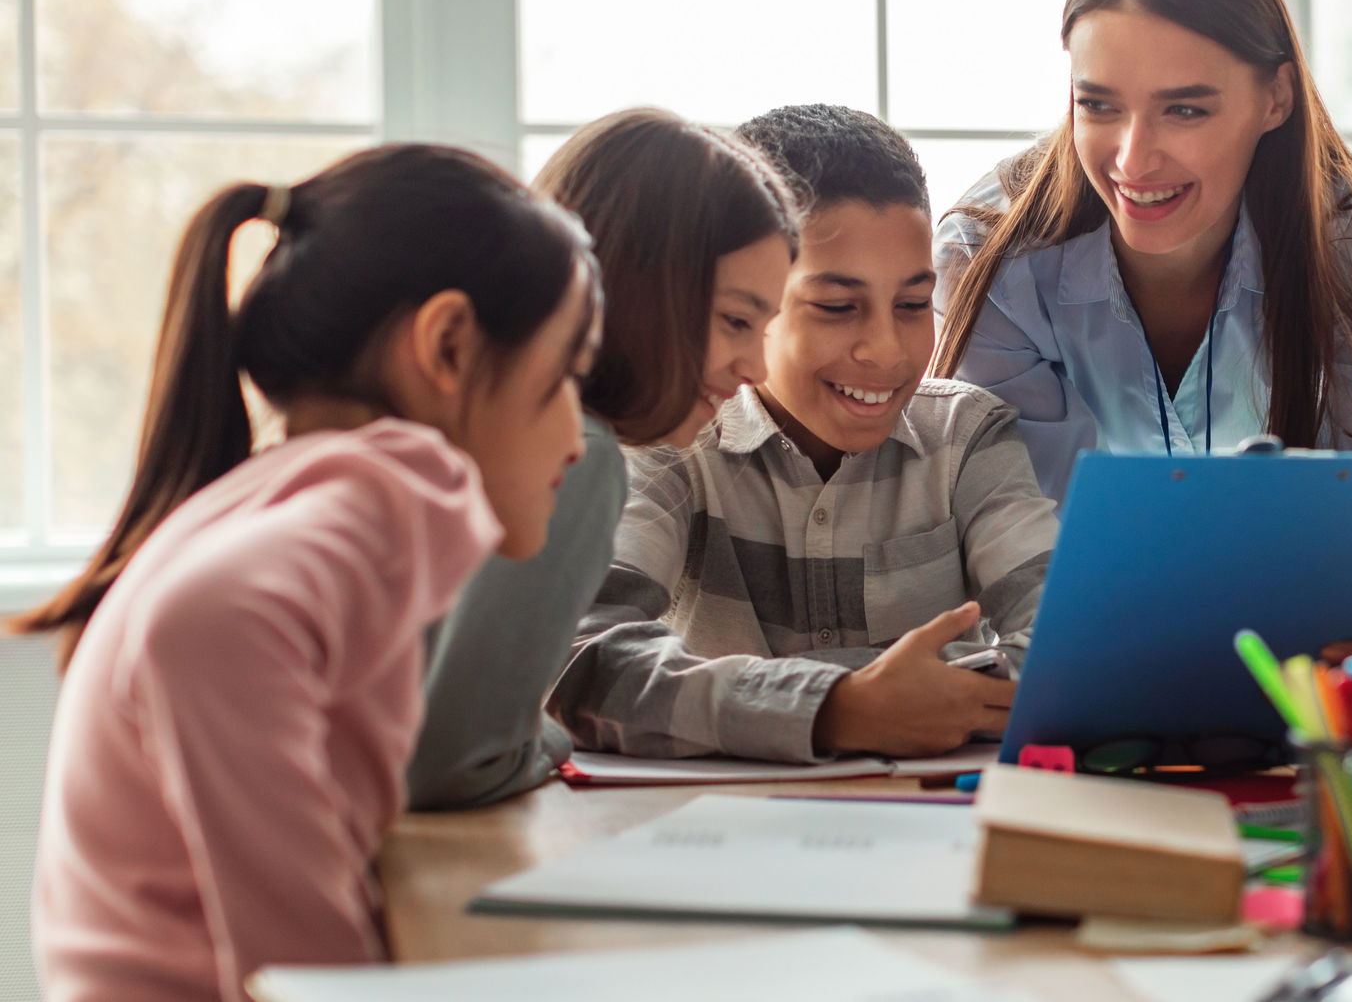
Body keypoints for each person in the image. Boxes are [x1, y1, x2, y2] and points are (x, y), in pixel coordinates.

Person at [20, 144, 601, 999]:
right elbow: (206, 621)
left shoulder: (294, 489)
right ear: (445, 347)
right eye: (565, 378)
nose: (577, 438)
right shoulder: (371, 499)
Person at [932, 0, 1352, 635]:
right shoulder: (993, 257)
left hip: (1301, 669)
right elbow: (1028, 554)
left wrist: (1351, 661)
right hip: (1093, 654)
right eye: (1098, 104)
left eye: (1184, 109)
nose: (1132, 160)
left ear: (1275, 99)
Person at [552, 105, 1055, 762]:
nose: (885, 350)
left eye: (911, 304)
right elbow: (583, 663)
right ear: (753, 299)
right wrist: (839, 708)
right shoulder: (674, 440)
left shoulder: (968, 436)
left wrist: (757, 700)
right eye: (837, 307)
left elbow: (1061, 653)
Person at [406, 108, 799, 809]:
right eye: (736, 321)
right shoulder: (573, 456)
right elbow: (455, 761)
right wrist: (550, 736)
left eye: (766, 328)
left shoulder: (466, 425)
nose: (757, 367)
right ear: (639, 289)